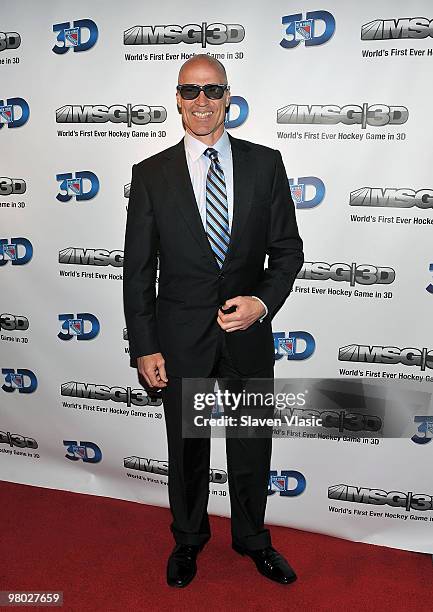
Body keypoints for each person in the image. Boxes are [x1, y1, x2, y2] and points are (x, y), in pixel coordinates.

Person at [123, 54, 304, 588]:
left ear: (228, 96)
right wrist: (145, 345)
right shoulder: (151, 174)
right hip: (181, 342)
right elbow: (139, 272)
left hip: (248, 339)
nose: (202, 101)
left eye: (213, 90)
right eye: (190, 91)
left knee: (251, 447)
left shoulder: (265, 163)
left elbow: (287, 252)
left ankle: (253, 540)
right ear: (177, 99)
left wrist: (262, 303)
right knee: (187, 451)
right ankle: (188, 540)